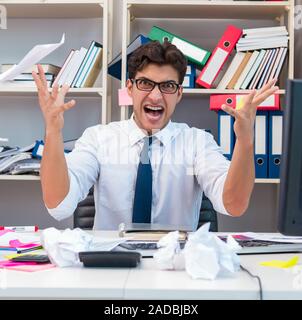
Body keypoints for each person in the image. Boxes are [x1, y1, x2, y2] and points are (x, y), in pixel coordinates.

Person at [32, 40, 278, 230]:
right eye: (145, 84)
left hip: (176, 267)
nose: (156, 96)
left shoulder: (197, 142)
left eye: (168, 86)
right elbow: (58, 204)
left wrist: (245, 140)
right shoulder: (98, 139)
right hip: (110, 265)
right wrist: (53, 131)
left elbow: (234, 206)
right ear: (130, 88)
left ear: (179, 93)